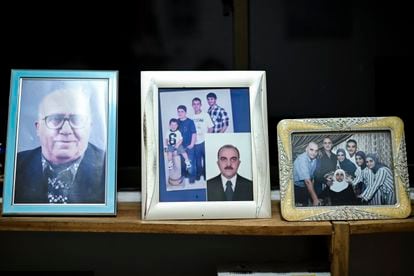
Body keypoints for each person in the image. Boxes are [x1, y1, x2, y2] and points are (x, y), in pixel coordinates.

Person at [14, 87, 105, 204]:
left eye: (77, 120)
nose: (66, 130)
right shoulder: (16, 166)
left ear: (89, 128)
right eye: (55, 119)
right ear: (38, 128)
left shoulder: (107, 167)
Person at [191, 97, 213, 181]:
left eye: (198, 104)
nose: (196, 106)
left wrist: (208, 139)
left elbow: (210, 128)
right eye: (194, 104)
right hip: (196, 143)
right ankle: (198, 174)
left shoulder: (205, 115)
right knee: (197, 161)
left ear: (200, 105)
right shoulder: (191, 117)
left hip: (204, 141)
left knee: (206, 159)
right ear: (192, 106)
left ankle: (205, 175)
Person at [293, 142, 320, 206]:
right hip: (295, 187)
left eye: (316, 151)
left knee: (305, 205)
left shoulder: (314, 160)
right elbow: (307, 181)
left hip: (305, 186)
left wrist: (312, 194)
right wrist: (315, 199)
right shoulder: (302, 159)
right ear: (306, 149)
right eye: (311, 149)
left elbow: (311, 178)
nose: (314, 153)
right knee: (299, 208)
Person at [177, 105, 197, 184]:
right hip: (180, 146)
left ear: (185, 112)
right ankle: (183, 176)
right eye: (178, 111)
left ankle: (191, 178)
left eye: (182, 111)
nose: (180, 113)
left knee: (190, 162)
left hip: (189, 146)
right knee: (182, 162)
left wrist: (192, 144)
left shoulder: (190, 121)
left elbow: (194, 133)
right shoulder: (177, 122)